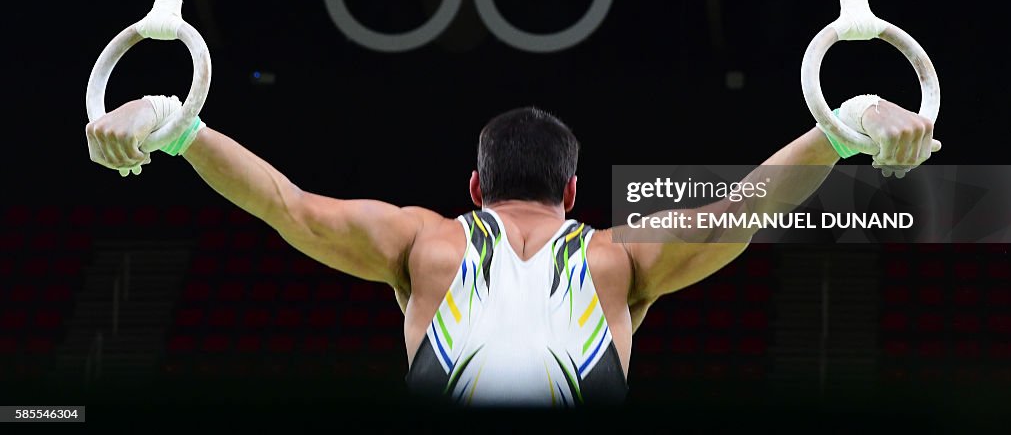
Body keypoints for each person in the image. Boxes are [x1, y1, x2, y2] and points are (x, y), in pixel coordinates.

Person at [85, 97, 938, 406]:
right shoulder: (617, 258)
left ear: (473, 183)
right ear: (574, 191)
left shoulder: (428, 244)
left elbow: (288, 208)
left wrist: (172, 122)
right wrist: (846, 124)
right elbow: (746, 208)